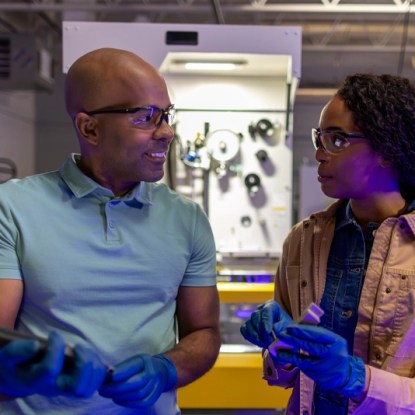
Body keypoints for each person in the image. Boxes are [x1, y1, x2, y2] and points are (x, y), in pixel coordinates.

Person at [0, 47, 221, 414]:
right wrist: (28, 375)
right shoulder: (12, 208)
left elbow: (205, 333)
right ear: (90, 127)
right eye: (146, 117)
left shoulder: (187, 219)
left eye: (166, 115)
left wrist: (166, 368)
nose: (166, 133)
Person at [240, 73, 415, 414]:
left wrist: (357, 380)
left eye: (337, 141)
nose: (320, 154)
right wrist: (280, 346)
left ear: (387, 149)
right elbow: (283, 377)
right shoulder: (303, 240)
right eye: (319, 139)